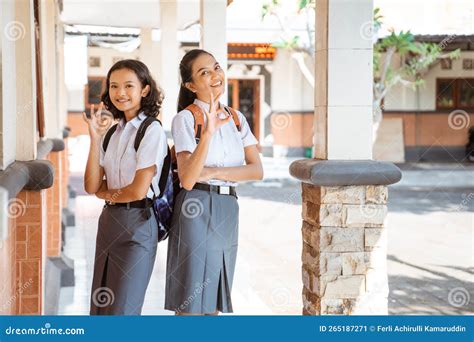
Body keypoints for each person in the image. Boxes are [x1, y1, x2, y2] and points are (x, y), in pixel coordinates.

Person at [165, 49, 264, 315]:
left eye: (216, 68)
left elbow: (256, 170)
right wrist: (207, 135)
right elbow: (187, 179)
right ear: (190, 85)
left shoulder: (236, 118)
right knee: (191, 298)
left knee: (215, 300)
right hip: (195, 206)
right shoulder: (186, 119)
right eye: (204, 72)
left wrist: (209, 172)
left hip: (228, 207)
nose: (214, 76)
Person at [82, 59, 167, 315]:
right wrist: (95, 140)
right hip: (108, 222)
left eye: (129, 86)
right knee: (101, 308)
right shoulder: (112, 133)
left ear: (145, 89)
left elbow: (138, 190)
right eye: (114, 86)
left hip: (138, 223)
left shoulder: (151, 130)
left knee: (123, 309)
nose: (120, 93)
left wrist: (105, 193)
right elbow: (91, 185)